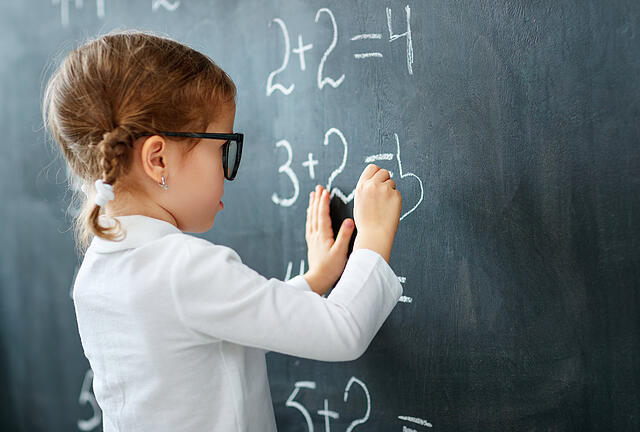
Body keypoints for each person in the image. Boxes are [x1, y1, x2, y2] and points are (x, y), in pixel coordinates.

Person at [42, 29, 403, 431]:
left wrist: (314, 280)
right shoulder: (183, 268)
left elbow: (222, 329)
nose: (228, 169)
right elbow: (343, 331)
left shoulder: (98, 273)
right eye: (221, 148)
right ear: (157, 159)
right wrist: (373, 236)